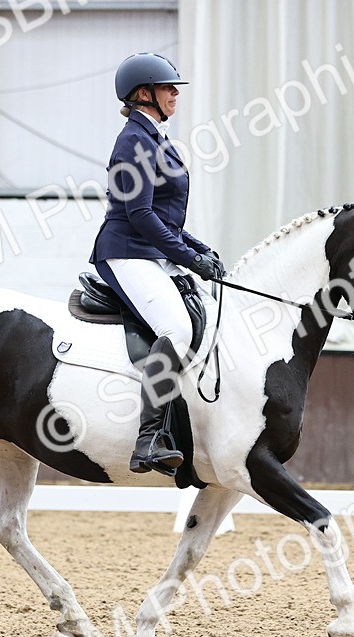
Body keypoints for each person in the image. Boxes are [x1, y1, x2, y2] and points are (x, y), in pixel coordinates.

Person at [89, 52, 224, 475]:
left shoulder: (155, 139)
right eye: (168, 88)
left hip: (148, 250)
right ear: (143, 94)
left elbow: (165, 219)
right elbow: (140, 215)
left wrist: (200, 250)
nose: (175, 95)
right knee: (177, 328)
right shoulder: (133, 140)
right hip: (126, 250)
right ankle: (148, 439)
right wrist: (189, 258)